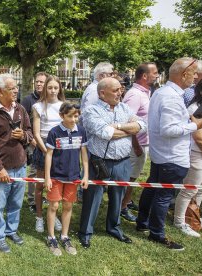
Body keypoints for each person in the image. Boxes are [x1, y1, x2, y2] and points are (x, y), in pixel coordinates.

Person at [136, 58, 202, 251]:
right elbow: (168, 129)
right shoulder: (171, 96)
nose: (196, 77)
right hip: (171, 156)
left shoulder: (163, 92)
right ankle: (157, 234)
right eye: (194, 73)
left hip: (162, 154)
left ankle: (143, 222)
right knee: (163, 195)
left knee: (152, 188)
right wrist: (194, 125)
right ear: (184, 74)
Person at [79, 77, 146, 249]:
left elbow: (142, 126)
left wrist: (118, 126)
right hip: (99, 162)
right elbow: (107, 133)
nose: (120, 92)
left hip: (122, 162)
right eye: (116, 90)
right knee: (93, 198)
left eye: (120, 89)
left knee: (118, 197)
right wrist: (128, 130)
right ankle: (86, 232)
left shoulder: (124, 107)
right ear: (102, 93)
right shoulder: (91, 111)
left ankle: (114, 228)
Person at [0, 73, 33, 253]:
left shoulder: (20, 109)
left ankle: (11, 230)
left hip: (20, 167)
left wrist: (24, 136)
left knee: (16, 204)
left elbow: (29, 132)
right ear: (0, 91)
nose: (16, 91)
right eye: (12, 88)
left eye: (16, 87)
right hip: (0, 171)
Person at [44, 102, 88, 256]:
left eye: (76, 116)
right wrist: (47, 177)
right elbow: (48, 155)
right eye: (70, 116)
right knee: (54, 206)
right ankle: (51, 237)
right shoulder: (54, 132)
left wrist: (86, 176)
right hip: (56, 176)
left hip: (73, 176)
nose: (73, 119)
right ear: (62, 116)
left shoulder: (81, 131)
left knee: (68, 206)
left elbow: (84, 155)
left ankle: (64, 236)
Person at [120, 62, 159, 222]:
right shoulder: (135, 95)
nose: (157, 75)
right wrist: (136, 145)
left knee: (134, 176)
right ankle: (122, 207)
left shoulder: (145, 92)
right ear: (144, 76)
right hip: (136, 145)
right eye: (155, 73)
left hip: (142, 143)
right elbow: (127, 121)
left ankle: (126, 202)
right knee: (130, 177)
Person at [174, 76, 202, 237]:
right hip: (196, 154)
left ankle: (195, 218)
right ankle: (180, 221)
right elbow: (199, 137)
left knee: (201, 189)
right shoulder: (198, 109)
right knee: (189, 189)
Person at [32, 75, 65, 233]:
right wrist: (47, 152)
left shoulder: (63, 106)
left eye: (55, 88)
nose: (52, 91)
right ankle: (39, 217)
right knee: (40, 186)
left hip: (60, 149)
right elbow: (36, 133)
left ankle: (54, 214)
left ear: (59, 89)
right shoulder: (38, 106)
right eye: (50, 87)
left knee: (56, 185)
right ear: (45, 88)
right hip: (43, 148)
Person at [21, 72, 48, 212]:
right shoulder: (28, 100)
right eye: (37, 81)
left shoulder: (50, 99)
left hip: (48, 141)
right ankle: (32, 200)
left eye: (41, 82)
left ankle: (44, 195)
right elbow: (22, 122)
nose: (38, 84)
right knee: (33, 171)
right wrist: (31, 139)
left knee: (47, 169)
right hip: (33, 142)